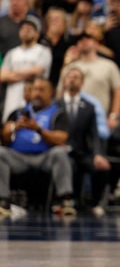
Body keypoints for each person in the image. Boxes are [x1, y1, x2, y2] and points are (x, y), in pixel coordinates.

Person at [0, 77, 74, 217]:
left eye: (42, 90)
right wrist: (15, 127)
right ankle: (3, 201)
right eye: (34, 89)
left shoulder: (58, 113)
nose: (37, 93)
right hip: (19, 158)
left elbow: (61, 138)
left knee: (59, 152)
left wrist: (38, 129)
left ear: (51, 92)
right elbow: (4, 137)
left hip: (44, 157)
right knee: (0, 152)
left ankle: (66, 201)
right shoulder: (18, 112)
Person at [60, 67, 109, 216]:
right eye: (70, 76)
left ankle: (94, 203)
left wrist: (97, 154)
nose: (73, 79)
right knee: (69, 166)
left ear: (82, 83)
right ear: (64, 81)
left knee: (101, 168)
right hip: (61, 152)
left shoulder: (89, 107)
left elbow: (94, 134)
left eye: (76, 77)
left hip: (82, 152)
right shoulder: (56, 105)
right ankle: (68, 202)